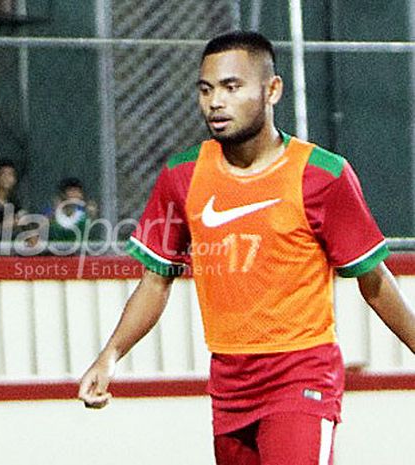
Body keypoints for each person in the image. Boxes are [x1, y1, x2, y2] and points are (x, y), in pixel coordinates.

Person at [78, 31, 415, 465]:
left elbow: (373, 278)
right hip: (228, 387)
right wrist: (110, 356)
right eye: (206, 89)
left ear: (271, 90)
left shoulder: (322, 175)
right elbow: (155, 282)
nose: (215, 102)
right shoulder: (182, 175)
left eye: (231, 87)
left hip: (301, 377)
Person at [45, 177, 98, 242]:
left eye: (77, 191)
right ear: (63, 194)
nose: (75, 194)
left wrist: (92, 214)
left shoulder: (85, 213)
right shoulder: (52, 212)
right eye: (71, 190)